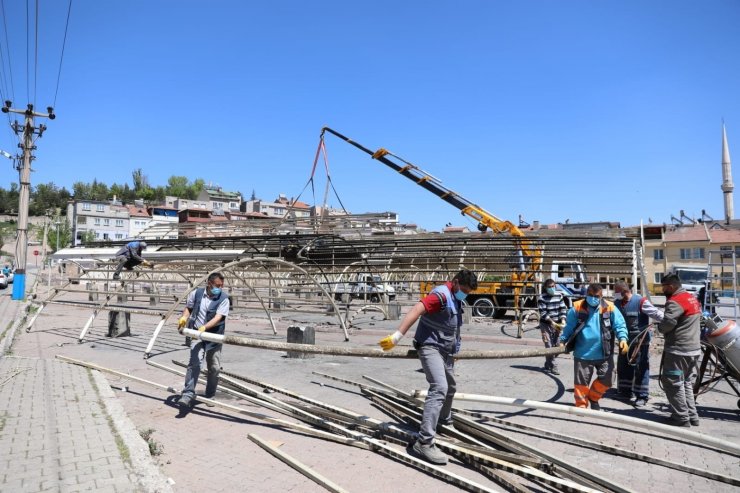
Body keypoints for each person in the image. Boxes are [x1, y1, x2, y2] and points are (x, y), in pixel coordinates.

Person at [378, 269, 478, 466]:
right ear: (455, 282)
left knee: (451, 388)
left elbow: (452, 326)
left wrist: (454, 349)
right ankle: (424, 442)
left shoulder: (455, 297)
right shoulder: (440, 296)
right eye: (464, 290)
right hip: (430, 347)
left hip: (446, 351)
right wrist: (397, 337)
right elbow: (416, 310)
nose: (465, 294)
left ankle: (443, 421)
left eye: (468, 292)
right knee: (439, 388)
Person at [559, 283, 628, 410]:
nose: (593, 298)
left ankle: (593, 397)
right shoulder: (577, 307)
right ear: (586, 294)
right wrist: (563, 340)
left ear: (601, 296)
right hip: (583, 354)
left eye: (596, 296)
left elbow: (619, 325)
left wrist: (623, 338)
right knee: (581, 384)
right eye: (590, 295)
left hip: (604, 353)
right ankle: (581, 406)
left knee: (608, 379)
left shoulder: (609, 307)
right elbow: (569, 327)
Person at [177, 272, 230, 409]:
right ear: (209, 284)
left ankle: (210, 394)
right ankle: (188, 394)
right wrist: (184, 318)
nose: (220, 288)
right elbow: (188, 308)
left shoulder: (224, 299)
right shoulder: (196, 293)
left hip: (214, 336)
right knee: (194, 363)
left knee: (214, 367)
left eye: (221, 285)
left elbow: (218, 317)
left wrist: (205, 327)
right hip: (197, 334)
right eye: (217, 285)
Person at [657, 273, 701, 427]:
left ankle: (681, 418)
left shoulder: (675, 301)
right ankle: (692, 416)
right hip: (694, 349)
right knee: (686, 383)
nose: (662, 290)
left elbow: (668, 322)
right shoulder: (691, 297)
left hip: (679, 350)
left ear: (671, 286)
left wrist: (660, 328)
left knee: (673, 383)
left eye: (664, 287)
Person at [613, 281, 664, 408]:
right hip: (624, 341)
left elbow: (657, 314)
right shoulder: (617, 303)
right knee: (623, 366)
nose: (615, 294)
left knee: (641, 368)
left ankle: (642, 395)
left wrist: (671, 321)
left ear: (624, 291)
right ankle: (625, 392)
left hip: (640, 342)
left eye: (616, 292)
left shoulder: (640, 301)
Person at [537, 279, 567, 375]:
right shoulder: (541, 298)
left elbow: (563, 308)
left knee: (558, 345)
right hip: (546, 324)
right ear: (545, 288)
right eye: (549, 287)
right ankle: (554, 366)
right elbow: (543, 313)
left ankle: (548, 362)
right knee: (549, 345)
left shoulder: (559, 295)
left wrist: (563, 319)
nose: (551, 288)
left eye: (553, 286)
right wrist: (551, 322)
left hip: (557, 324)